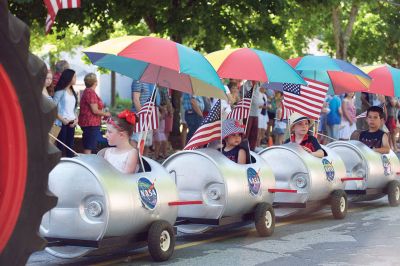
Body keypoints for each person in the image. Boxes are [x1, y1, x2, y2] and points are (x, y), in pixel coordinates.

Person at [78, 73, 111, 154]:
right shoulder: (90, 93)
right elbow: (95, 110)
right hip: (90, 124)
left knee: (90, 145)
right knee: (89, 146)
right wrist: (107, 114)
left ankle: (89, 162)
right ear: (95, 82)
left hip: (90, 123)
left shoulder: (88, 91)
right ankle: (88, 163)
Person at [53, 69, 78, 157]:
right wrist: (62, 119)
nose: (76, 78)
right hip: (61, 123)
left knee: (70, 147)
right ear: (69, 77)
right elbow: (52, 108)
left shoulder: (73, 92)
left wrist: (76, 120)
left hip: (71, 123)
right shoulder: (60, 91)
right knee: (60, 147)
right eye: (74, 76)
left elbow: (74, 109)